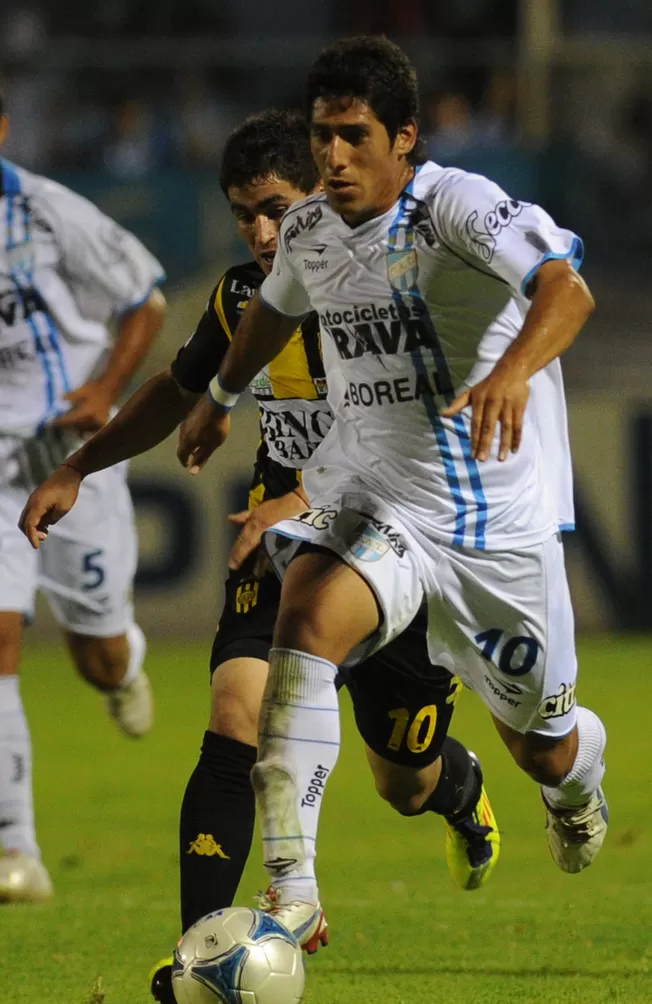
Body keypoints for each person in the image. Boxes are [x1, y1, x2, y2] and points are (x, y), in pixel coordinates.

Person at [19, 111, 499, 983]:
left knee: (406, 782)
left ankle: (460, 792)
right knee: (235, 715)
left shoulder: (389, 289)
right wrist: (80, 465)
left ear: (319, 190)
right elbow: (182, 383)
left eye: (276, 207)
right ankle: (200, 954)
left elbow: (414, 434)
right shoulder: (246, 296)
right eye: (244, 214)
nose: (262, 232)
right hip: (279, 543)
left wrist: (307, 492)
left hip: (393, 534)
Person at [172, 35, 608, 949]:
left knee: (543, 747)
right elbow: (274, 309)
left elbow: (566, 291)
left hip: (495, 530)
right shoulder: (308, 231)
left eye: (353, 136)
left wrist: (514, 372)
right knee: (304, 620)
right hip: (384, 500)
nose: (332, 157)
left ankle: (575, 787)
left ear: (404, 137)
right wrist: (217, 397)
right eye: (323, 135)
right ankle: (292, 893)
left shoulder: (457, 207)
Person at [0, 89, 166, 901]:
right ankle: (15, 850)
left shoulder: (47, 211)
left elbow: (147, 297)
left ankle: (123, 663)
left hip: (70, 459)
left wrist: (107, 386)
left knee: (95, 655)